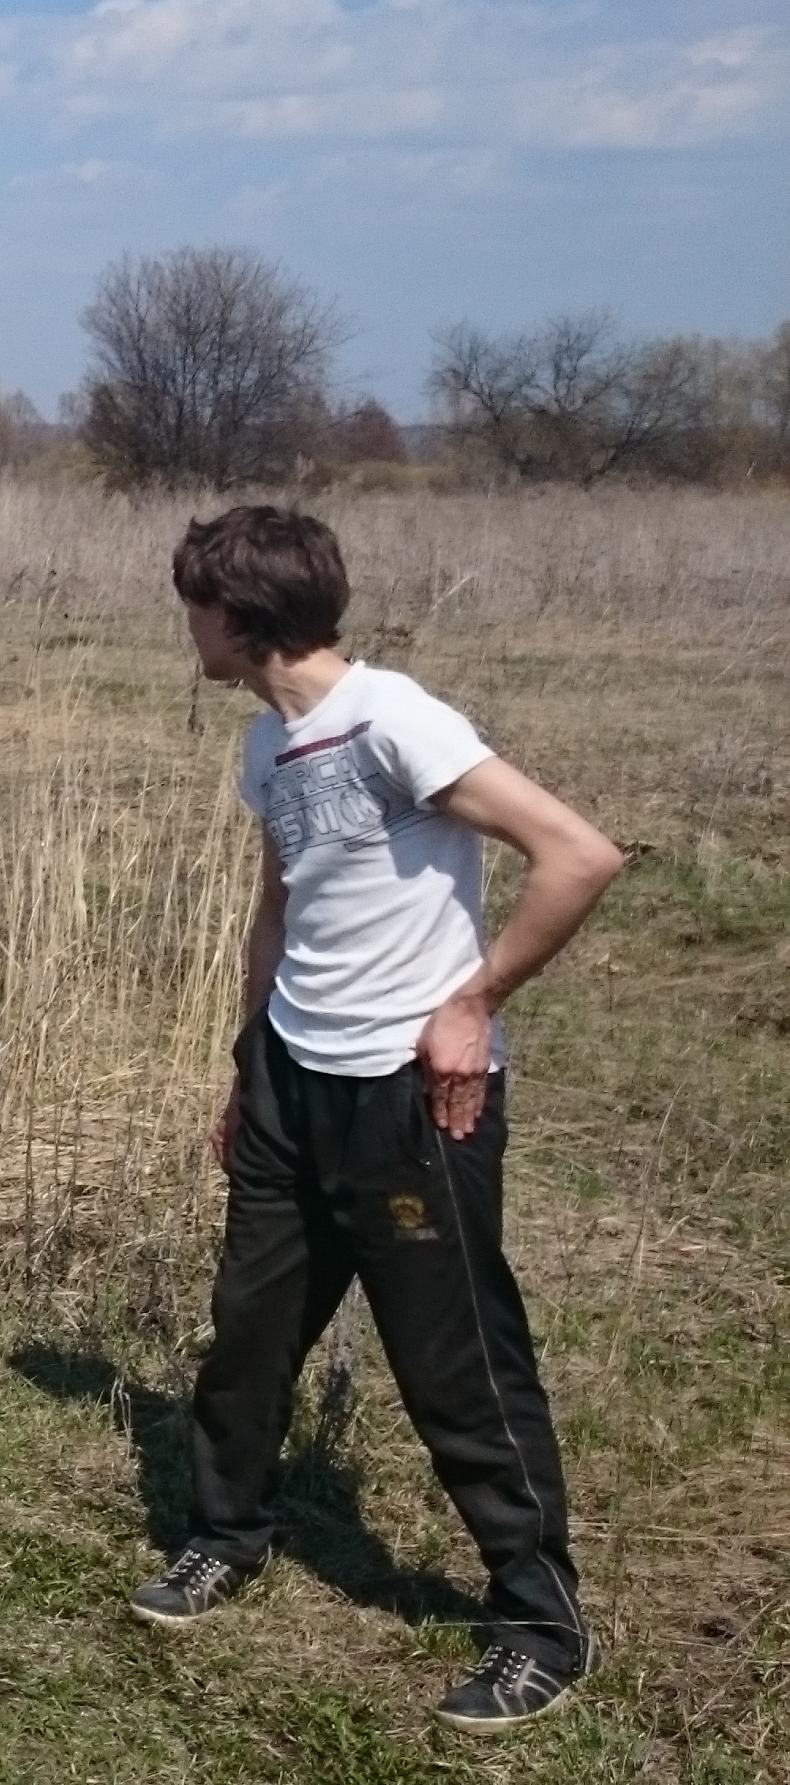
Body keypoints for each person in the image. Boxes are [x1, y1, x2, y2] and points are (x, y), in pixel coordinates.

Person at [132, 505, 623, 1735]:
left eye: (193, 607)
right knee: (249, 1333)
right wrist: (247, 1068)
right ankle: (226, 1535)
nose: (186, 628)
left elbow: (578, 855)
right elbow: (278, 911)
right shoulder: (267, 744)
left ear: (236, 617)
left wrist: (472, 1005)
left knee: (456, 1363)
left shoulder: (397, 717)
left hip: (406, 1097)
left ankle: (543, 1624)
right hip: (291, 1081)